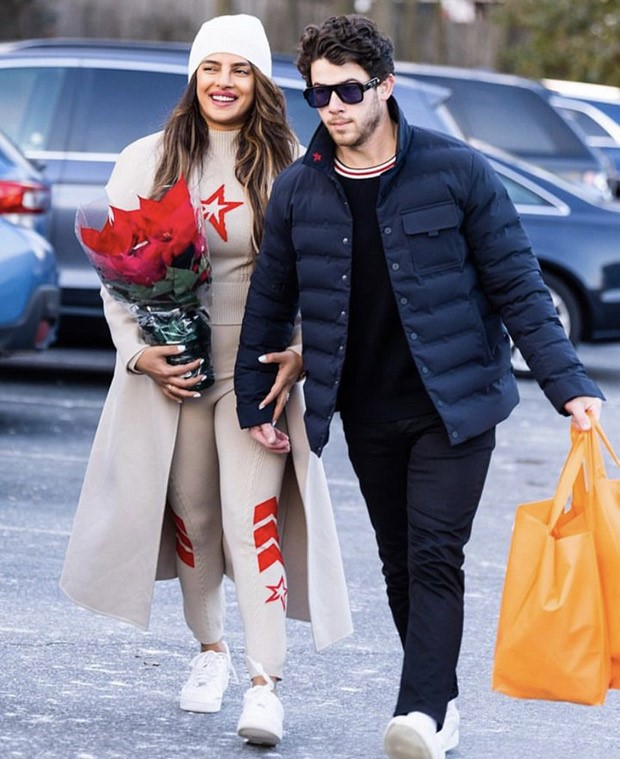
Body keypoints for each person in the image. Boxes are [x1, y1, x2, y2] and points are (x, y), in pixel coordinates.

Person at [234, 14, 604, 759]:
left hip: (455, 404)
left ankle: (422, 710)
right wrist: (254, 401)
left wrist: (570, 385)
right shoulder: (301, 189)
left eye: (347, 89)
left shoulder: (457, 170)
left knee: (436, 551)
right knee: (399, 560)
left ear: (385, 87)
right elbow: (269, 302)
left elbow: (517, 285)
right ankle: (442, 699)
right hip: (365, 408)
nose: (333, 106)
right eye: (318, 94)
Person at [60, 14, 352, 748]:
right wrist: (138, 352)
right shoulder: (148, 159)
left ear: (261, 82)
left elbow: (332, 270)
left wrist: (305, 350)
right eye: (212, 67)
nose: (225, 82)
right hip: (175, 370)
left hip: (258, 371)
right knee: (192, 515)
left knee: (252, 521)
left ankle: (266, 683)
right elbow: (115, 281)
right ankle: (211, 652)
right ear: (194, 76)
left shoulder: (296, 160)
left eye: (242, 69)